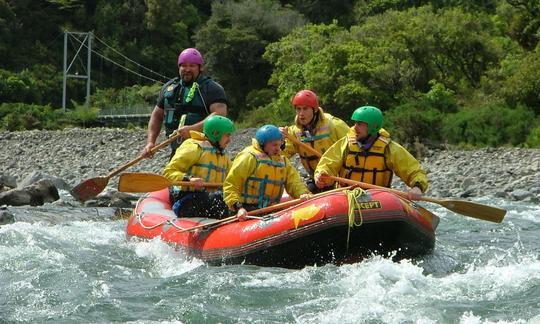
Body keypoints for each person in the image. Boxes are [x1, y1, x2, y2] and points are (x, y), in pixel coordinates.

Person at [314, 106, 428, 200]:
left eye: (360, 124)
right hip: (346, 197)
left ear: (374, 127)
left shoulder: (389, 149)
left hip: (378, 199)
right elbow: (327, 164)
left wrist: (417, 187)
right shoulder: (346, 145)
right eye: (355, 123)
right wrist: (321, 175)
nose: (355, 128)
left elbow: (414, 170)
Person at [143, 48, 228, 159]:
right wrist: (150, 142)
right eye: (183, 65)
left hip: (205, 151)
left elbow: (219, 115)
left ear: (200, 67)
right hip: (177, 151)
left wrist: (192, 129)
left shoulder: (212, 89)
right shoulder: (169, 88)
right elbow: (157, 115)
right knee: (173, 175)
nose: (187, 69)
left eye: (192, 66)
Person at [223, 124, 311, 221]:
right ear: (263, 144)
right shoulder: (249, 157)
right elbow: (231, 184)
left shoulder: (283, 162)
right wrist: (238, 207)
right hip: (248, 209)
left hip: (271, 209)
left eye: (279, 144)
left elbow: (295, 183)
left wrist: (303, 194)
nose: (278, 149)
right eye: (274, 145)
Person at [162, 115, 235, 219]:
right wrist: (189, 179)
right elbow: (168, 173)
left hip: (211, 199)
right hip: (187, 199)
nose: (229, 140)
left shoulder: (223, 156)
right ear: (215, 134)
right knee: (217, 199)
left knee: (222, 199)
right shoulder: (194, 148)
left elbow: (233, 178)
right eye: (227, 135)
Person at [280, 89, 349, 193]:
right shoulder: (294, 132)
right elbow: (280, 155)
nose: (301, 114)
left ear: (315, 109)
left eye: (305, 109)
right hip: (315, 180)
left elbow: (353, 146)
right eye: (298, 109)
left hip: (337, 179)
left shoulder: (334, 125)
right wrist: (280, 142)